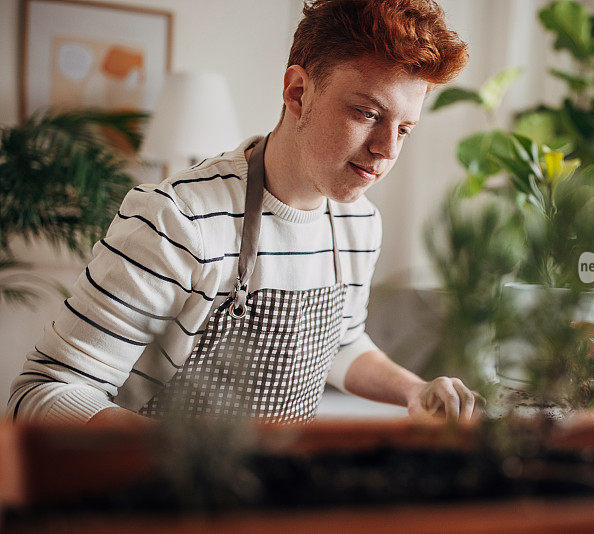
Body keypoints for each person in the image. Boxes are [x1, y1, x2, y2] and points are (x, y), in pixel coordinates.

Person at [8, 0, 479, 425]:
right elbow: (43, 393)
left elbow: (341, 343)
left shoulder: (360, 222)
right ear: (297, 92)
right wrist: (180, 458)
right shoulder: (176, 220)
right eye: (367, 113)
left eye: (405, 129)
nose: (384, 150)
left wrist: (415, 390)